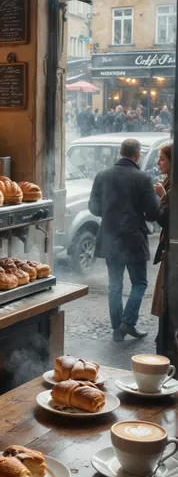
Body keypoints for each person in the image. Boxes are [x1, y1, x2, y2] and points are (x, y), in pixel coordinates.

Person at [89, 138, 160, 342]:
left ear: (121, 153)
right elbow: (153, 213)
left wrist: (110, 212)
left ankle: (117, 329)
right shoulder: (142, 178)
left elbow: (93, 208)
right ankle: (127, 323)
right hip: (134, 239)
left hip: (111, 239)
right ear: (137, 155)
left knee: (115, 286)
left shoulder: (102, 176)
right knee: (139, 283)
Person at [151, 143, 172, 354]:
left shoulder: (171, 186)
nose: (158, 163)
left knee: (167, 308)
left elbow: (168, 220)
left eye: (162, 159)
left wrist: (163, 196)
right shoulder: (168, 182)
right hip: (168, 254)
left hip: (172, 256)